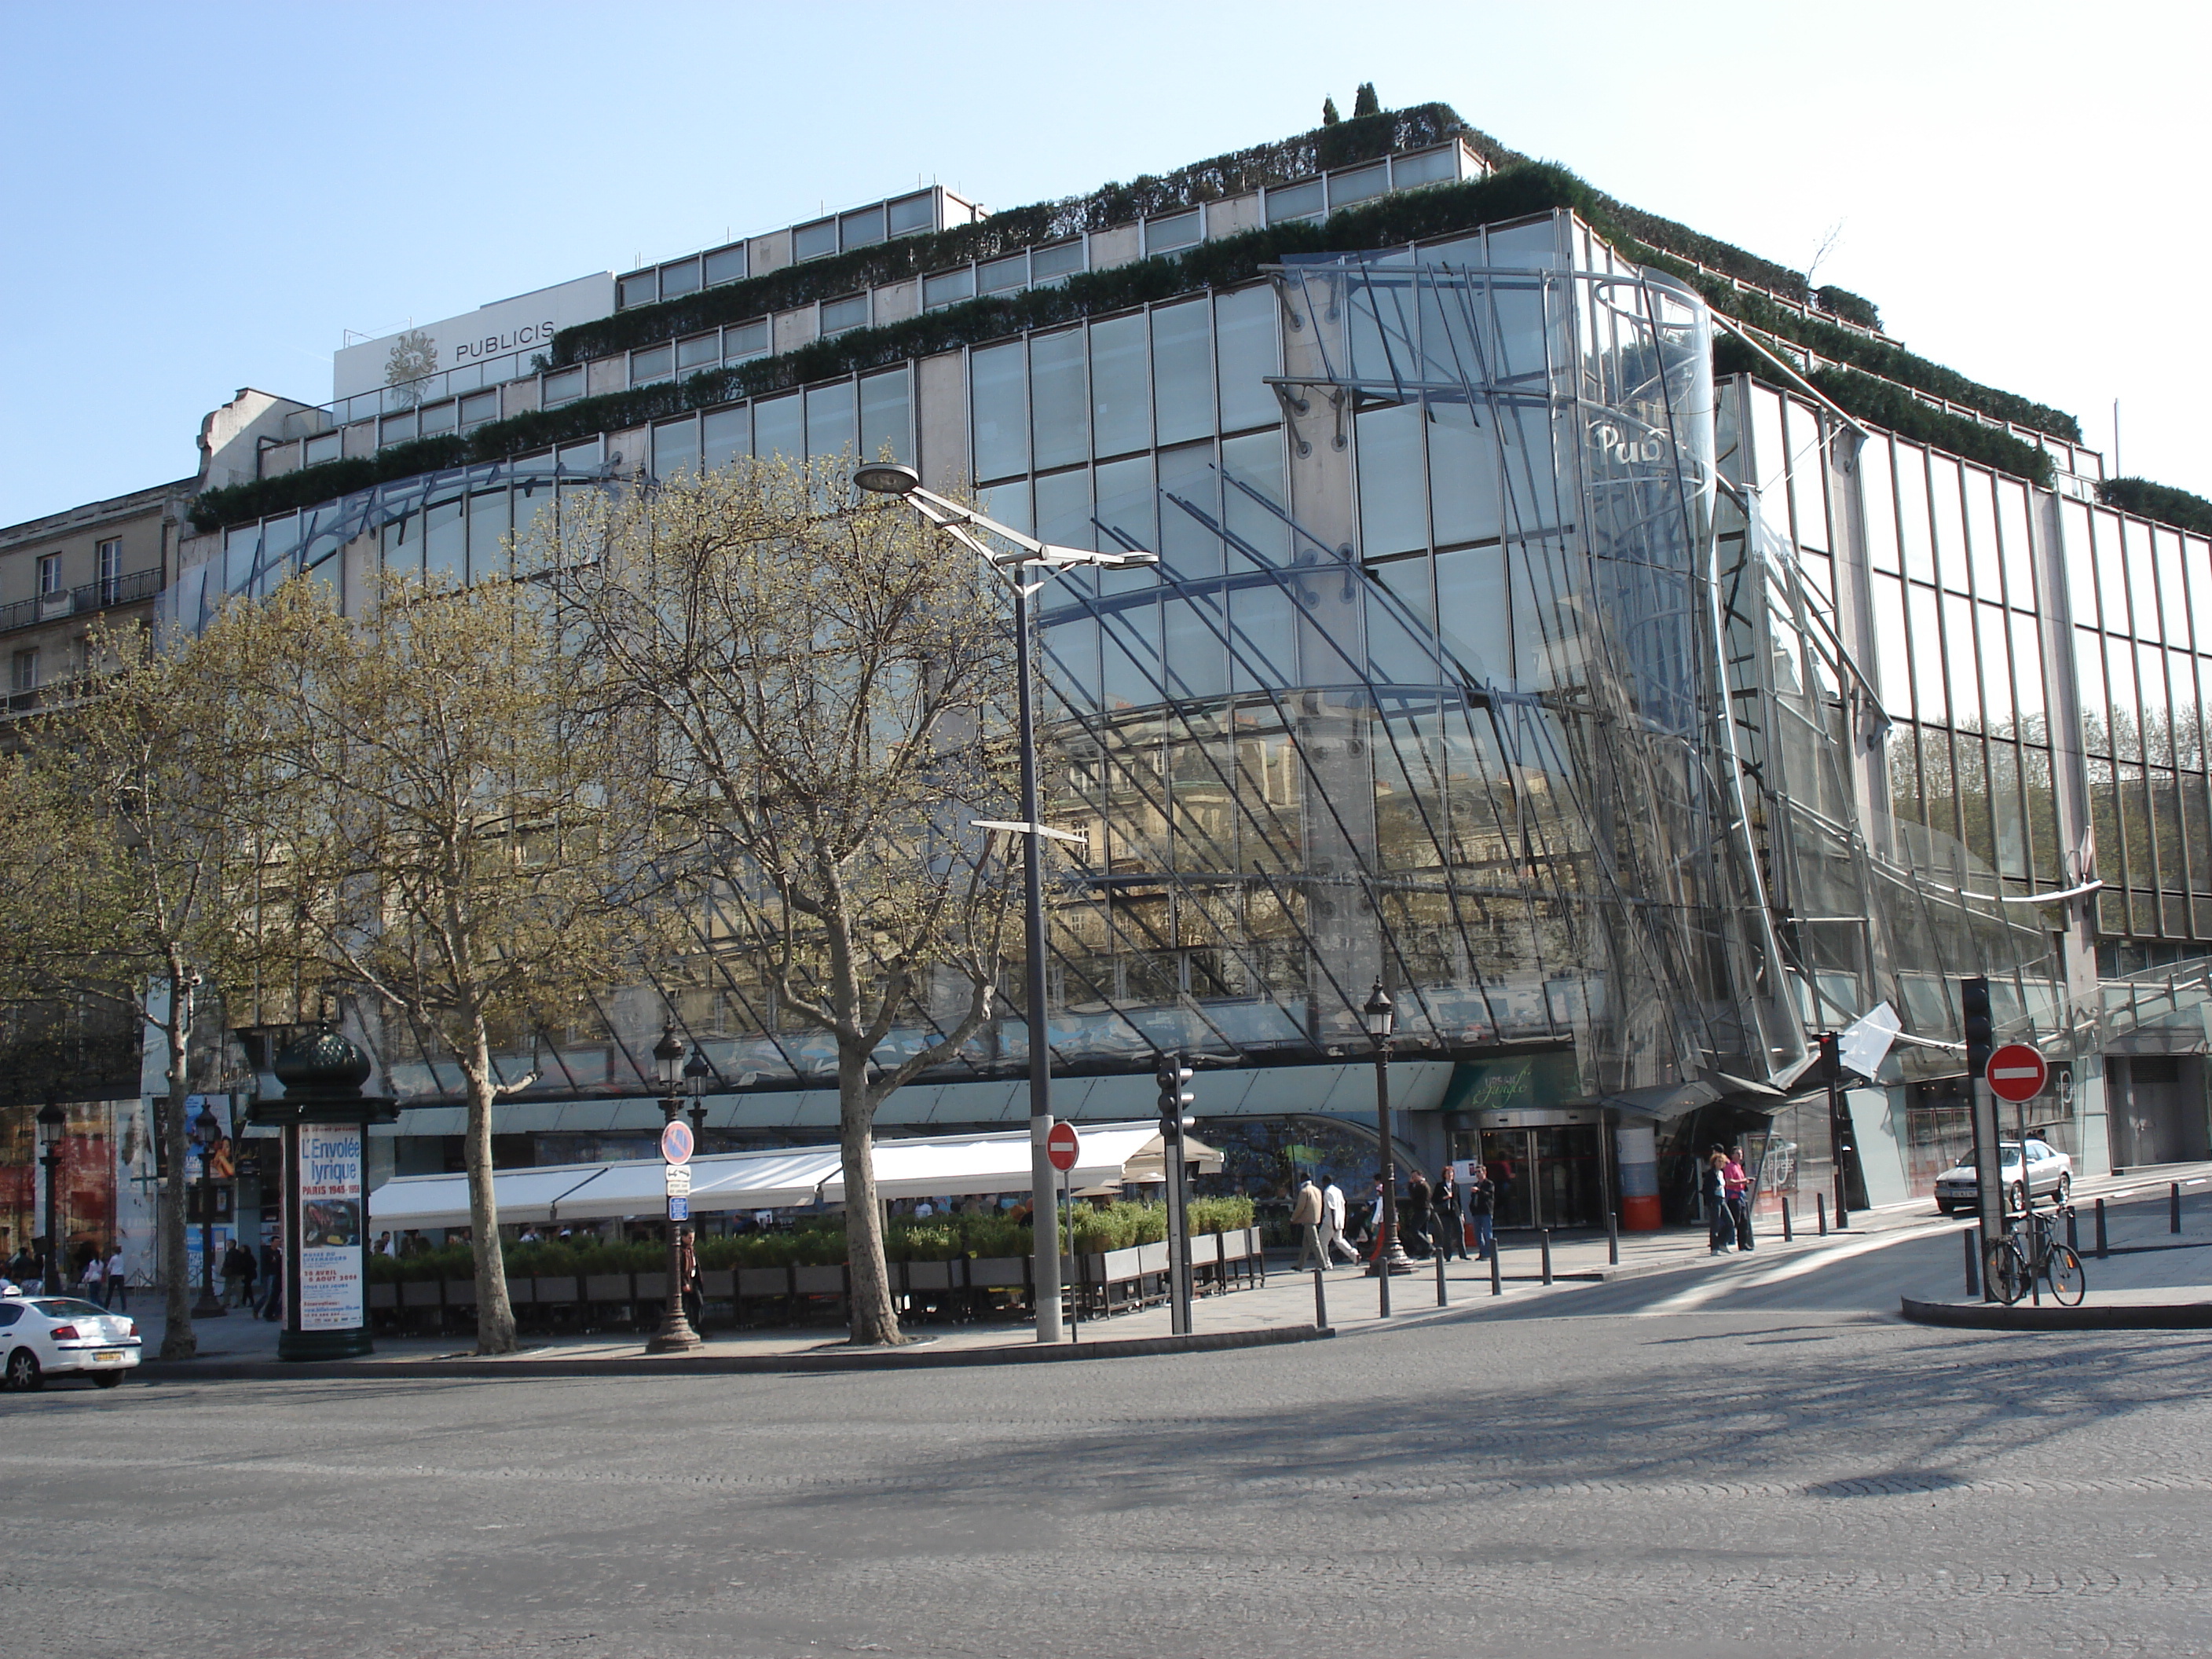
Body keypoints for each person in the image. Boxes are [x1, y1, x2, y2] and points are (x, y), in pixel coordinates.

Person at [1320, 1178, 1361, 1265]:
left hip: (1330, 1221)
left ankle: (1326, 1263)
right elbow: (1343, 1206)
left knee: (1322, 1242)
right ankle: (1354, 1254)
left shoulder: (1327, 1192)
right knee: (1339, 1240)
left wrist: (1334, 1224)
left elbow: (1332, 1208)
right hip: (1340, 1220)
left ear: (1325, 1182)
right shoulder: (1338, 1191)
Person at [1290, 1177, 1326, 1271]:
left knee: (1315, 1243)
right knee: (1306, 1245)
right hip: (1315, 1220)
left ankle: (1322, 1264)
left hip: (1307, 1221)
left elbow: (1300, 1207)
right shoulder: (1317, 1190)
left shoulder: (1304, 1191)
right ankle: (1300, 1265)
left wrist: (1293, 1218)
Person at [1703, 1145, 1734, 1254]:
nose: (1721, 1164)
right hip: (1714, 1200)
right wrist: (1710, 1200)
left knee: (1730, 1222)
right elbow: (1707, 1188)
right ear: (1714, 1162)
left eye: (1722, 1161)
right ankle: (1714, 1248)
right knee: (1715, 1224)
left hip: (1722, 1199)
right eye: (1719, 1161)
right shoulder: (1711, 1174)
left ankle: (1722, 1242)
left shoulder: (1721, 1173)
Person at [1432, 1164, 1467, 1261]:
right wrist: (1445, 1197)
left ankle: (1463, 1254)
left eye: (1452, 1173)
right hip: (1445, 1212)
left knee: (1460, 1232)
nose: (1450, 1175)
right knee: (1447, 1234)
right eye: (1448, 1173)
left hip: (1455, 1211)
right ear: (1444, 1175)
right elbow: (1435, 1199)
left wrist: (1462, 1213)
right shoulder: (1440, 1186)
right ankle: (1447, 1256)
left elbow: (1458, 1200)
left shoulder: (1456, 1185)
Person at [1725, 1144, 1756, 1253]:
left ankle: (1743, 1244)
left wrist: (1746, 1182)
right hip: (1734, 1197)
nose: (1740, 1156)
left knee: (1744, 1222)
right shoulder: (1730, 1167)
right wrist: (1743, 1181)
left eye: (1741, 1154)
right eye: (1738, 1154)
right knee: (1734, 1221)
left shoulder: (1739, 1167)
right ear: (1732, 1155)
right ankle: (1724, 1241)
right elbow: (1729, 1181)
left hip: (1741, 1196)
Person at [1465, 1161, 1496, 1259]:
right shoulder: (1476, 1184)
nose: (1478, 1174)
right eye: (1476, 1172)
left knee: (1487, 1233)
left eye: (1479, 1172)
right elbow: (1473, 1198)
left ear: (1484, 1172)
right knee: (1477, 1233)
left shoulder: (1489, 1184)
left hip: (1486, 1211)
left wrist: (1479, 1191)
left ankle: (1489, 1252)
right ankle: (1483, 1252)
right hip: (1476, 1212)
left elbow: (1489, 1195)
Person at [1402, 1170, 1433, 1258]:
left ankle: (1428, 1246)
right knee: (1423, 1231)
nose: (1413, 1178)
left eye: (1415, 1176)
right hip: (1421, 1210)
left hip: (1422, 1210)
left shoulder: (1422, 1185)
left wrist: (1410, 1185)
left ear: (1420, 1176)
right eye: (1412, 1176)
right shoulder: (1419, 1185)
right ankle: (1425, 1252)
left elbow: (1414, 1195)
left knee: (1414, 1230)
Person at [103, 1243, 127, 1311]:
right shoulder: (122, 1258)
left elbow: (109, 1268)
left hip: (113, 1275)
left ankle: (106, 1306)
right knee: (122, 1292)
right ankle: (124, 1307)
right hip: (121, 1275)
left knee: (110, 1292)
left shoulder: (113, 1258)